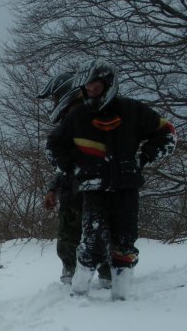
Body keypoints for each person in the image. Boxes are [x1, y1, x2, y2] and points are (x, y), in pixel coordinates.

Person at [45, 59, 176, 300]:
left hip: (126, 186)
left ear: (108, 84)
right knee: (92, 241)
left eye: (96, 87)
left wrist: (143, 157)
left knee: (125, 242)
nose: (92, 92)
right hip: (93, 188)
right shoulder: (78, 116)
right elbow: (53, 145)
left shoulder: (132, 110)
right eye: (87, 88)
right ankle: (77, 293)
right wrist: (72, 169)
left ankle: (120, 297)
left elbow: (167, 133)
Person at [37, 71, 111, 287]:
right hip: (71, 190)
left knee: (101, 231)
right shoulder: (66, 125)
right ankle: (69, 270)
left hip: (98, 187)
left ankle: (108, 274)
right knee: (68, 235)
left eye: (56, 98)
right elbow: (64, 164)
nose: (55, 103)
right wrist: (53, 188)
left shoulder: (95, 118)